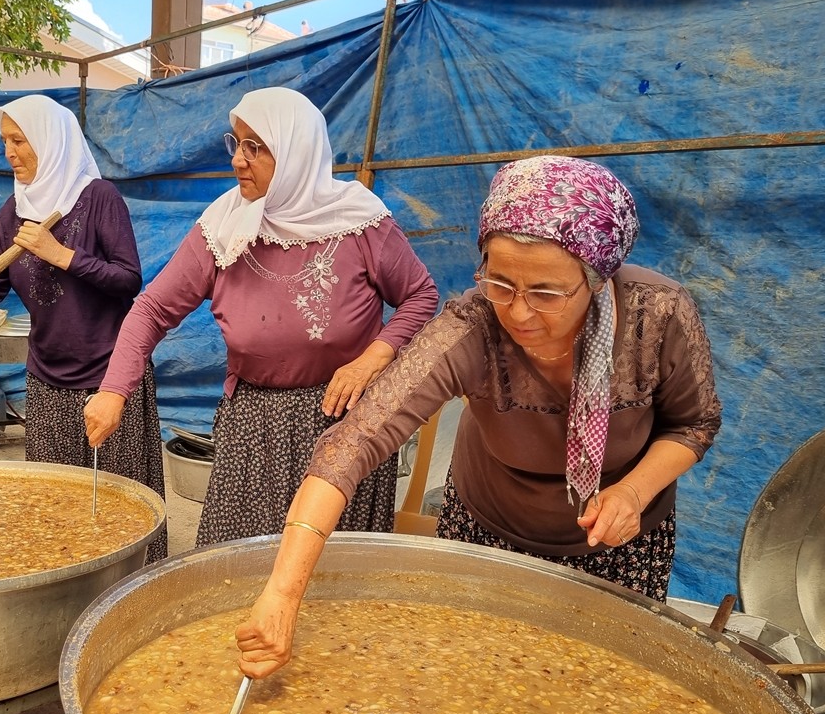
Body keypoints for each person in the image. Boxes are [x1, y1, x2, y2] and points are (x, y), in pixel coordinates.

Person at [235, 154, 723, 678]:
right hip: (486, 538)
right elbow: (351, 445)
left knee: (597, 689)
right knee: (471, 679)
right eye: (501, 282)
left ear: (597, 280)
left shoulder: (658, 315)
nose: (517, 311)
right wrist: (283, 595)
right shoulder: (473, 326)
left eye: (546, 292)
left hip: (619, 547)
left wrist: (632, 493)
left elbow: (693, 425)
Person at [84, 86, 439, 546]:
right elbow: (151, 310)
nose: (237, 160)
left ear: (296, 151)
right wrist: (114, 390)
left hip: (344, 421)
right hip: (255, 426)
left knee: (330, 573)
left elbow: (420, 294)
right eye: (236, 142)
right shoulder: (223, 226)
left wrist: (372, 358)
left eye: (256, 146)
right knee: (236, 563)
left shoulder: (359, 222)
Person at [0, 94, 167, 561]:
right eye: (5, 140)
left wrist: (60, 254)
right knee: (53, 497)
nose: (9, 152)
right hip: (48, 377)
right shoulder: (14, 211)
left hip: (109, 377)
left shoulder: (98, 198)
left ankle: (128, 587)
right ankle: (64, 580)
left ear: (50, 141)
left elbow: (128, 280)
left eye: (20, 140)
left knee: (117, 498)